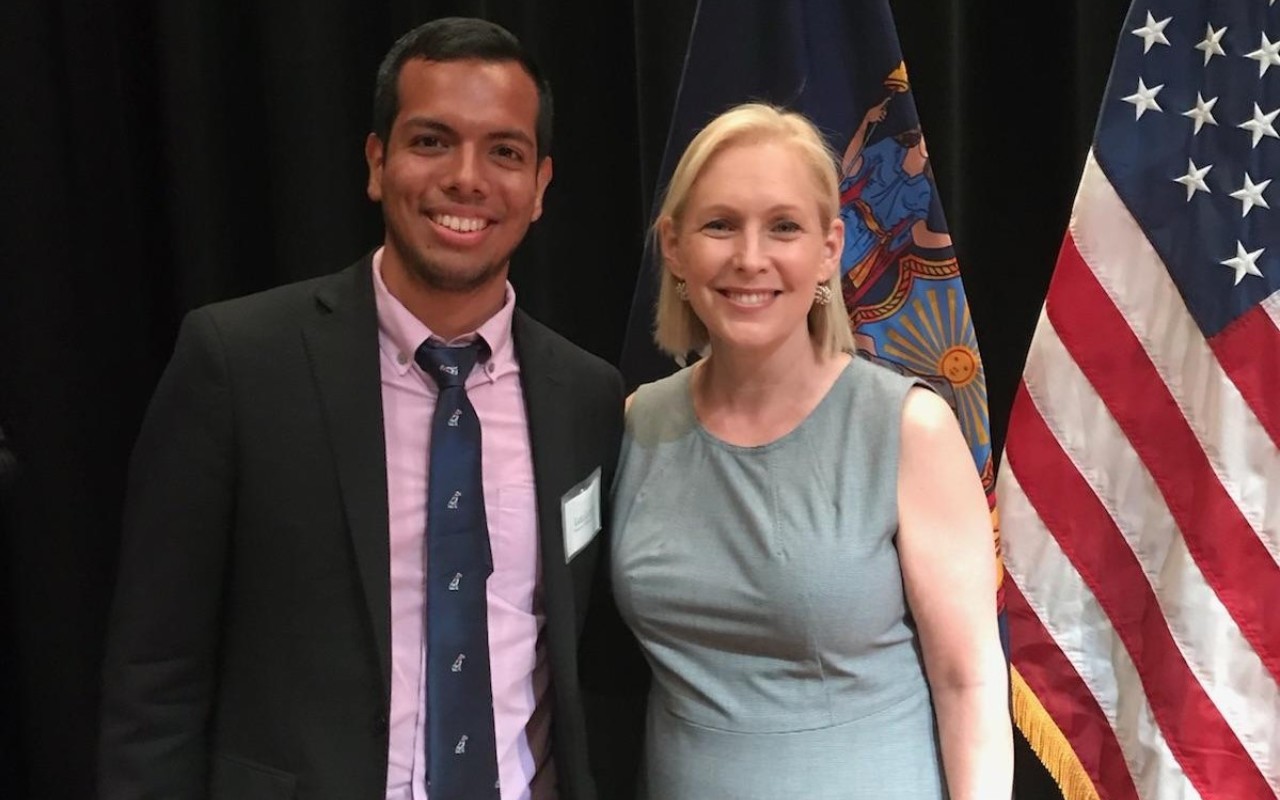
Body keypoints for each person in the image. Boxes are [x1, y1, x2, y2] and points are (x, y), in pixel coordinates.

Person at [99, 17, 637, 800]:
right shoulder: (239, 363)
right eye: (431, 142)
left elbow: (597, 669)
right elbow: (155, 673)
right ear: (377, 163)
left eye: (504, 152)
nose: (467, 177)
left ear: (541, 186)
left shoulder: (587, 396)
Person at [610, 103, 1012, 799]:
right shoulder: (638, 422)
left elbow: (968, 680)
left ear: (830, 250)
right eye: (719, 225)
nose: (750, 257)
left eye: (784, 227)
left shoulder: (910, 429)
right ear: (674, 247)